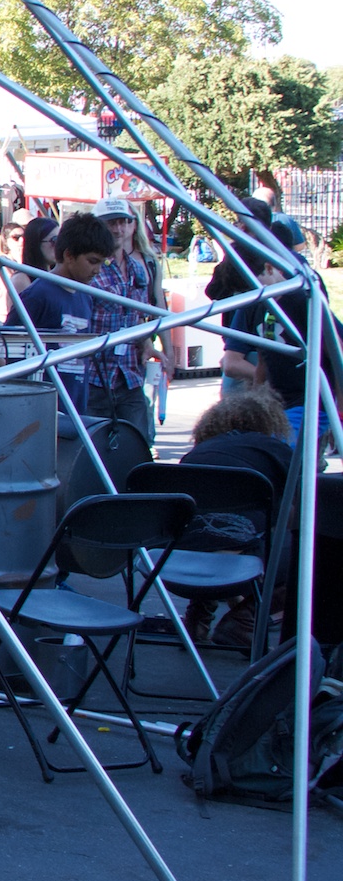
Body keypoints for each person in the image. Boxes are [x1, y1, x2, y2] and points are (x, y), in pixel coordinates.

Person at [178, 386, 298, 649]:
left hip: (174, 568)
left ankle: (198, 615)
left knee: (205, 532)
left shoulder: (196, 454)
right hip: (238, 566)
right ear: (270, 422)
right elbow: (303, 508)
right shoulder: (273, 450)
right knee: (312, 547)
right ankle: (245, 619)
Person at [222, 225, 328, 439]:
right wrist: (257, 400)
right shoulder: (255, 304)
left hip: (310, 403)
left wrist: (339, 413)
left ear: (270, 269)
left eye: (254, 288)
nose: (251, 296)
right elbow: (263, 359)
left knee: (282, 448)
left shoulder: (302, 300)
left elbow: (336, 352)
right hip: (276, 403)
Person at [83, 196, 164, 441]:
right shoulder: (89, 267)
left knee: (138, 445)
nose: (118, 229)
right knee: (92, 448)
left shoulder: (139, 268)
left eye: (123, 222)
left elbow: (137, 316)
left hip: (129, 375)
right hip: (96, 375)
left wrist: (149, 344)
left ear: (132, 225)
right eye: (111, 223)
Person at [16, 212, 112, 413]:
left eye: (102, 263)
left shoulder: (84, 295)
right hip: (40, 409)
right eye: (92, 261)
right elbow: (10, 350)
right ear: (69, 255)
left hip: (75, 406)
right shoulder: (38, 294)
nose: (97, 270)